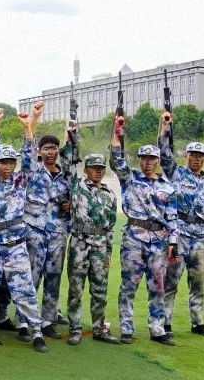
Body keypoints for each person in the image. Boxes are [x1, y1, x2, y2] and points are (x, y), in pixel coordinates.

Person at [109, 113, 178, 346]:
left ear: (158, 161)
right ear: (138, 160)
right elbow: (116, 159)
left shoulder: (168, 187)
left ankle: (157, 328)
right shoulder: (130, 179)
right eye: (143, 158)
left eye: (152, 159)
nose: (147, 162)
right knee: (129, 284)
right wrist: (117, 131)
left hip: (159, 239)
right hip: (134, 238)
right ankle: (126, 327)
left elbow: (172, 216)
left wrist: (173, 242)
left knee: (158, 286)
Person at [0, 111, 49, 353]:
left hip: (16, 246)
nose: (8, 166)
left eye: (11, 162)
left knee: (24, 290)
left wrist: (28, 128)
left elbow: (31, 159)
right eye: (4, 162)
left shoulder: (21, 180)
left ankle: (36, 331)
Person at [158, 120, 204, 339]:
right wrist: (165, 127)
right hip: (178, 236)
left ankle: (198, 321)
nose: (196, 159)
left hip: (199, 239)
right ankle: (165, 322)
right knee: (171, 281)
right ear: (186, 156)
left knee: (198, 283)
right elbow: (164, 154)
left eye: (200, 156)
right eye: (192, 155)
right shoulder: (176, 173)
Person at [20, 102, 71, 340]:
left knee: (53, 277)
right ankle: (25, 321)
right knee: (32, 277)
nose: (51, 152)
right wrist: (33, 120)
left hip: (58, 232)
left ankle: (49, 320)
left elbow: (73, 199)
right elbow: (27, 151)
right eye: (47, 148)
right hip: (35, 231)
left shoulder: (65, 176)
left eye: (54, 148)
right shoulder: (33, 171)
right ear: (40, 151)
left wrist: (70, 205)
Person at [62, 142, 119, 345]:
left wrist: (109, 251)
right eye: (94, 168)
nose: (98, 171)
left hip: (100, 247)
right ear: (85, 169)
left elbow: (111, 225)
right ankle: (75, 329)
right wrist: (71, 138)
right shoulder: (77, 187)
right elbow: (67, 163)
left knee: (100, 290)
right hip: (80, 243)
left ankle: (99, 328)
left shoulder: (110, 195)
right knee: (76, 289)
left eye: (101, 168)